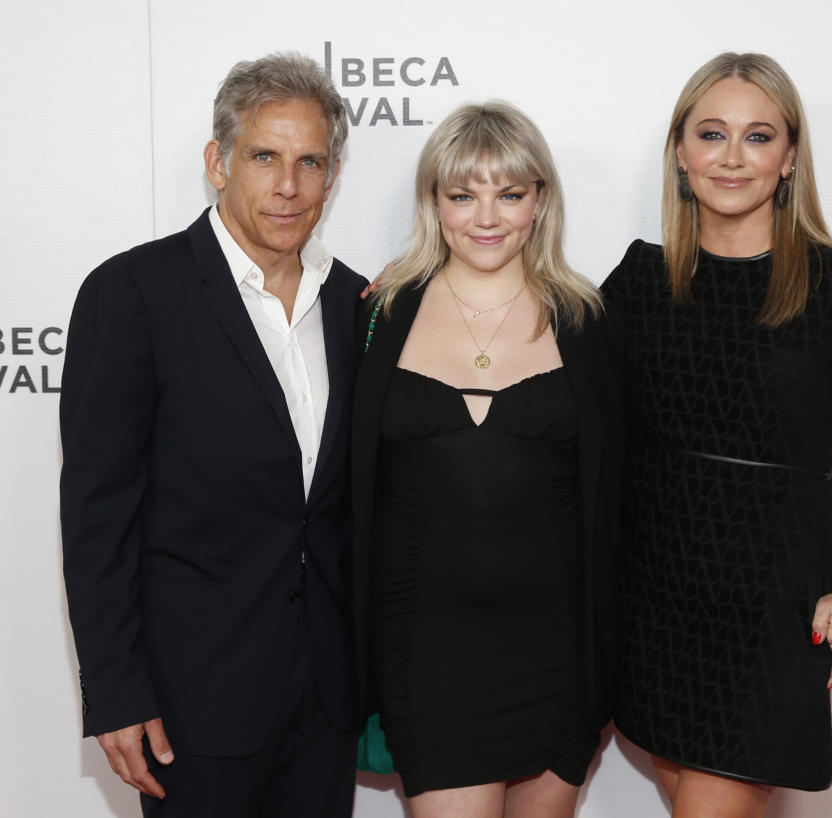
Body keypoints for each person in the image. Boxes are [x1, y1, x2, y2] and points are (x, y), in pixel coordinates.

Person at [601, 52, 832, 818]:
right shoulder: (639, 283)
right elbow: (538, 364)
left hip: (770, 610)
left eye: (758, 136)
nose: (732, 157)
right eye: (712, 133)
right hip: (653, 599)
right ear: (680, 152)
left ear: (788, 159)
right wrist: (423, 287)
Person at [59, 52, 366, 817]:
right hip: (189, 703)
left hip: (326, 701)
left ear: (332, 175)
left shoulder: (357, 306)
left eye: (310, 162)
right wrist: (115, 690)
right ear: (218, 162)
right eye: (265, 156)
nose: (288, 185)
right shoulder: (132, 294)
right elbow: (97, 517)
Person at [352, 101, 622, 818]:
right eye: (462, 194)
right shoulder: (379, 315)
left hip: (558, 657)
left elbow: (616, 494)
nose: (487, 216)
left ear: (540, 201)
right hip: (427, 658)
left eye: (510, 193)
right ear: (433, 203)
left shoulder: (586, 319)